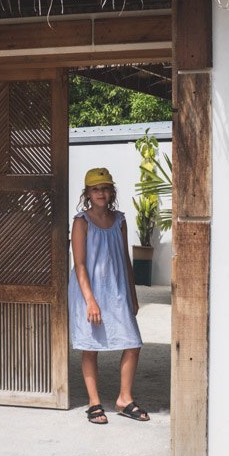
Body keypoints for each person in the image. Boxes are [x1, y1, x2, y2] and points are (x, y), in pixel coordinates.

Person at [69, 167, 149, 425]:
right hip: (89, 291)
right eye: (95, 189)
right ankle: (94, 402)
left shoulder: (120, 220)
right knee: (91, 347)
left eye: (105, 188)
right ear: (88, 194)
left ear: (111, 191)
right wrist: (90, 300)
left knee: (132, 343)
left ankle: (124, 398)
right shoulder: (81, 222)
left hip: (116, 289)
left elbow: (125, 258)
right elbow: (80, 264)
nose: (101, 193)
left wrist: (133, 294)